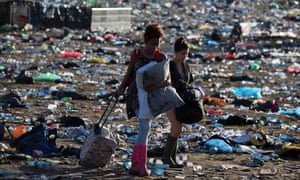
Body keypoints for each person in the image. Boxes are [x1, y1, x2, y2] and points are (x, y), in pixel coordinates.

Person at [114, 23, 167, 177]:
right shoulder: (137, 54)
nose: (155, 47)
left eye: (157, 44)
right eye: (152, 44)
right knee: (144, 127)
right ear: (145, 40)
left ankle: (138, 163)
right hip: (136, 96)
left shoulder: (160, 57)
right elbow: (129, 73)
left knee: (146, 128)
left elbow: (165, 78)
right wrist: (120, 89)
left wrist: (161, 84)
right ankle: (139, 165)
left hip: (151, 97)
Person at [162, 36, 194, 168]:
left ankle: (171, 157)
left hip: (182, 99)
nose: (184, 56)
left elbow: (191, 80)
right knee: (176, 126)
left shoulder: (186, 65)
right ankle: (166, 157)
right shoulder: (169, 65)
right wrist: (183, 85)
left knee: (178, 127)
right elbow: (169, 81)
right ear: (176, 52)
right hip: (170, 98)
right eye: (182, 54)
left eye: (186, 54)